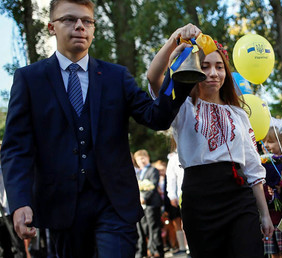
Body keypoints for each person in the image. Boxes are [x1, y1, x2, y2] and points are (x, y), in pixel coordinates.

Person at [0, 0, 196, 256]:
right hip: (61, 208)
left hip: (114, 204)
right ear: (51, 27)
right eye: (69, 19)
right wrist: (20, 202)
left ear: (93, 28)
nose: (80, 26)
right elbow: (16, 148)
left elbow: (155, 117)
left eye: (87, 21)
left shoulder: (117, 76)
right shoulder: (29, 79)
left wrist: (179, 76)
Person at [147, 33, 274, 257]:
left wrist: (264, 214)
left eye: (219, 67)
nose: (213, 73)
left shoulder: (238, 114)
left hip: (239, 196)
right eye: (205, 66)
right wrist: (174, 41)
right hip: (200, 198)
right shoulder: (182, 107)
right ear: (194, 68)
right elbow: (153, 77)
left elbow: (253, 167)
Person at [261, 127, 282, 258]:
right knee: (273, 253)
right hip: (270, 217)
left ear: (280, 143)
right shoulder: (261, 165)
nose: (266, 145)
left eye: (270, 141)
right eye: (263, 142)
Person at [134, 150, 164, 258]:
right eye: (138, 159)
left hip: (152, 204)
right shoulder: (137, 173)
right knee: (144, 228)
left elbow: (153, 185)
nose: (141, 161)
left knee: (154, 228)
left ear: (148, 157)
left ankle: (158, 251)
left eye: (143, 158)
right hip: (141, 206)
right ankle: (147, 251)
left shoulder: (153, 170)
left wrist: (144, 197)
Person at [165, 140, 188, 255]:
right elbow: (171, 178)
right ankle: (184, 247)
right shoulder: (174, 159)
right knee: (181, 222)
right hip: (181, 194)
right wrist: (172, 195)